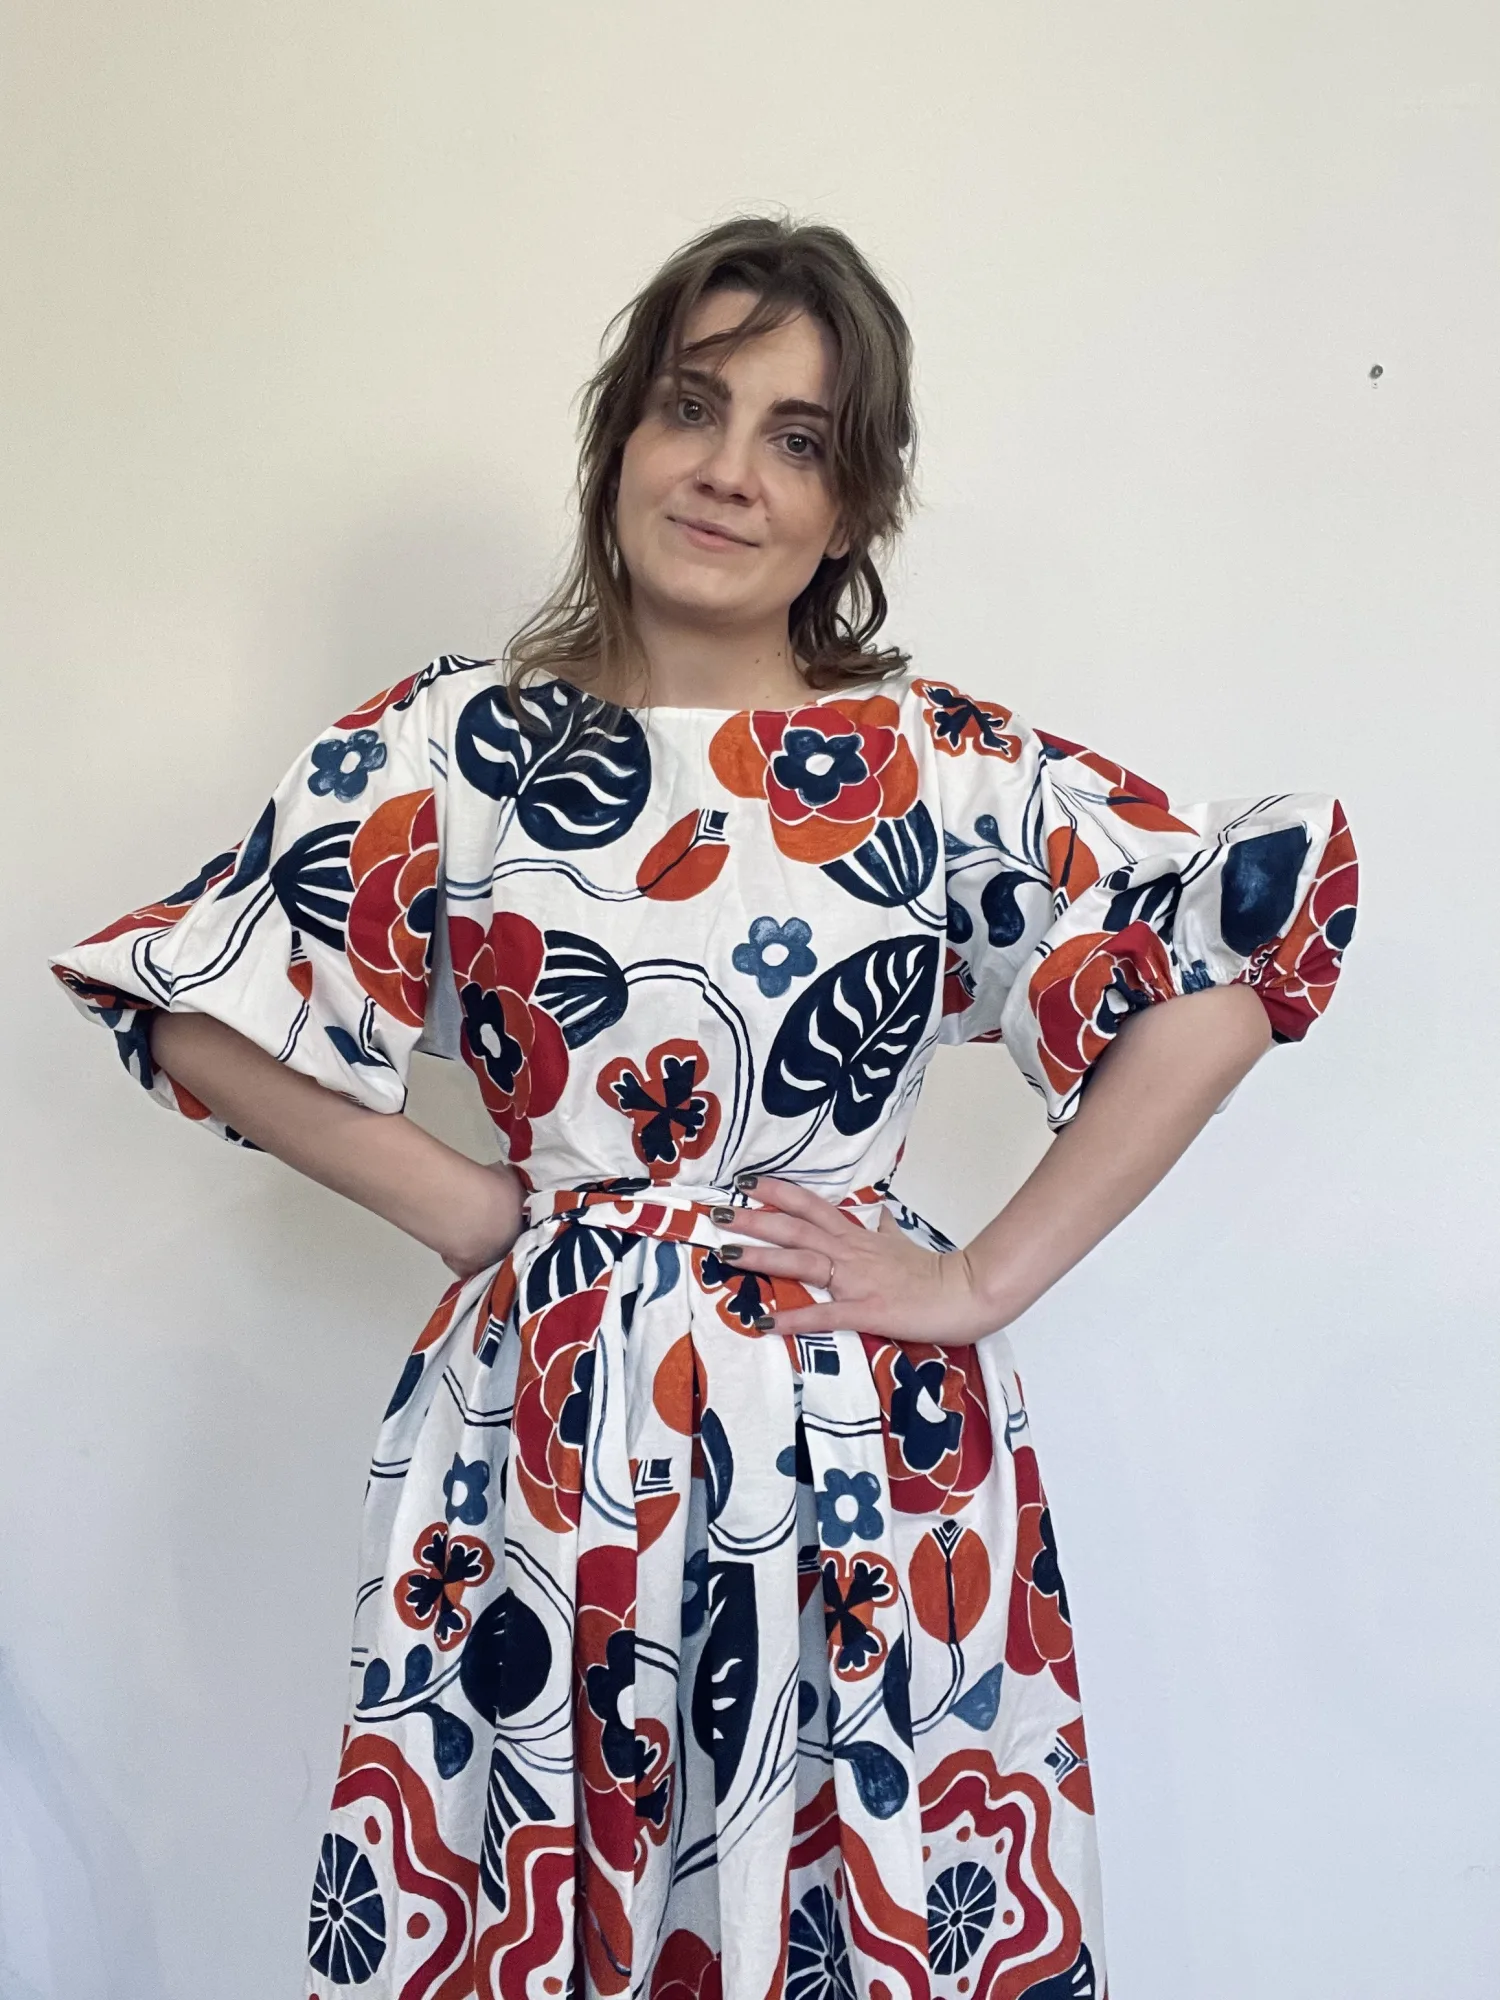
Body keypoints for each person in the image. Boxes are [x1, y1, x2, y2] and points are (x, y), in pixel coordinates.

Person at [49, 215, 1358, 2000]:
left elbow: (1239, 946)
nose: (732, 472)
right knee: (541, 1889)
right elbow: (191, 991)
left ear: (854, 505)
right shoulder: (457, 749)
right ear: (620, 438)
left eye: (798, 440)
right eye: (692, 407)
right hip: (547, 1446)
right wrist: (460, 1201)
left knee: (855, 1905)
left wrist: (980, 1281)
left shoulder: (932, 767)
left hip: (864, 1453)